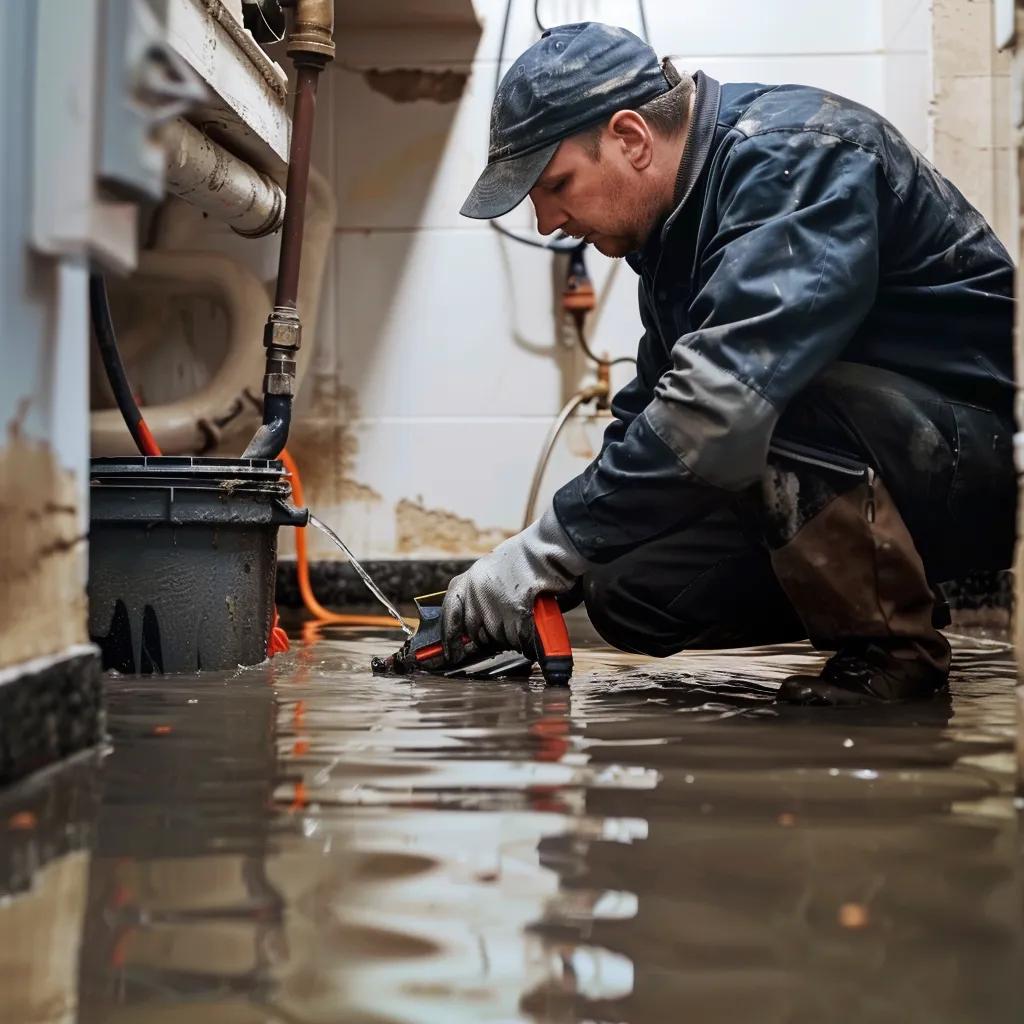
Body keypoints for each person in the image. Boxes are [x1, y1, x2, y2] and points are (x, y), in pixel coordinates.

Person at [441, 21, 1016, 705]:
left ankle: (892, 657)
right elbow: (651, 411)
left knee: (753, 398)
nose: (546, 223)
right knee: (624, 585)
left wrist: (545, 546)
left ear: (631, 137)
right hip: (874, 458)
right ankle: (895, 586)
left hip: (975, 461)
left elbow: (726, 395)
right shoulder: (672, 232)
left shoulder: (794, 156)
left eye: (556, 183)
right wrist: (553, 566)